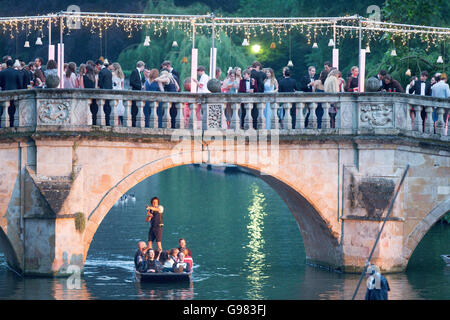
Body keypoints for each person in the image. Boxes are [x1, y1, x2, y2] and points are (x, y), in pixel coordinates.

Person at [0, 59, 23, 126]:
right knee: (13, 109)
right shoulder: (17, 72)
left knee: (5, 109)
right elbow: (20, 84)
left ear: (6, 64)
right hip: (15, 93)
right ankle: (12, 123)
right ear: (13, 65)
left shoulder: (2, 72)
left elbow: (0, 83)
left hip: (5, 92)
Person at [97, 59, 113, 126]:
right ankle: (107, 122)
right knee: (108, 108)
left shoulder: (101, 72)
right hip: (109, 91)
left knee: (102, 108)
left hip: (103, 92)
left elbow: (100, 83)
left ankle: (103, 122)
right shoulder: (109, 72)